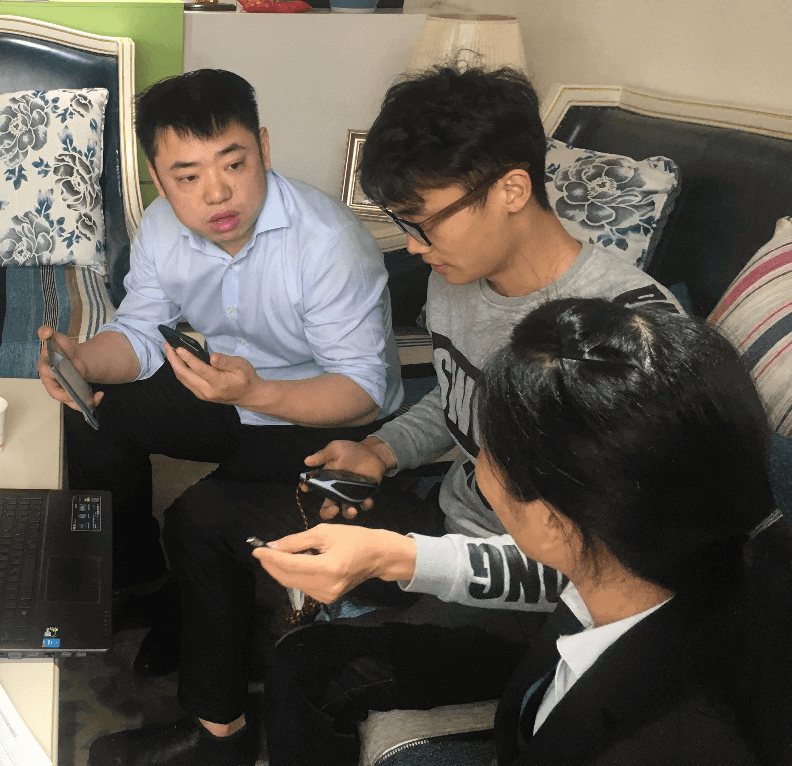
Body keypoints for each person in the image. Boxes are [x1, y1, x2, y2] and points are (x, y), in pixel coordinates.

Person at [90, 64, 682, 766]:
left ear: (511, 190)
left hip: (541, 607)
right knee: (203, 518)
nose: (413, 248)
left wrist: (401, 558)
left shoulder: (622, 340)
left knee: (308, 671)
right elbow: (455, 393)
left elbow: (612, 574)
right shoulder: (460, 276)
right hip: (452, 513)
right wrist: (382, 451)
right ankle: (216, 736)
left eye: (422, 223)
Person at [279, 298, 791, 764]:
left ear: (552, 519)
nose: (475, 459)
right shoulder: (658, 550)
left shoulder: (664, 740)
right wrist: (394, 555)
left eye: (487, 448)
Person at [34, 68, 402, 659]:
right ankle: (140, 582)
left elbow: (362, 392)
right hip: (228, 385)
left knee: (198, 517)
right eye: (188, 176)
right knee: (91, 415)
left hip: (320, 412)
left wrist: (253, 395)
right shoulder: (161, 226)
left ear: (264, 149)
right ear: (157, 177)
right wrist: (83, 359)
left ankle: (199, 614)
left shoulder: (329, 241)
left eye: (234, 164)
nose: (217, 194)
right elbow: (138, 333)